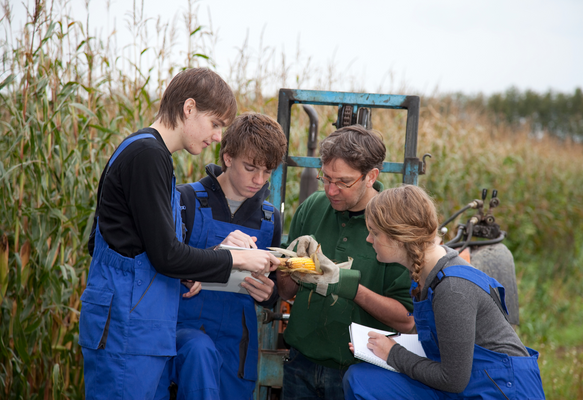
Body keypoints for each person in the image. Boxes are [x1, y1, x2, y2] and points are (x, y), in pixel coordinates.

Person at [78, 68, 279, 400]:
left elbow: (112, 243)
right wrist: (237, 257)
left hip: (141, 328)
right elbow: (166, 255)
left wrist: (186, 272)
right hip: (128, 330)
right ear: (189, 108)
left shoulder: (150, 154)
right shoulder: (148, 156)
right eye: (215, 124)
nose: (217, 137)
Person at [343, 185, 546, 399]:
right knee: (361, 380)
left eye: (375, 232)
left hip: (499, 387)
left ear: (400, 237)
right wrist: (381, 347)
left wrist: (393, 353)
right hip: (470, 380)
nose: (369, 239)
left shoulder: (453, 289)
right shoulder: (425, 271)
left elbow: (453, 380)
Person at [277, 125, 415, 400]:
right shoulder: (311, 208)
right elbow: (285, 292)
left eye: (343, 182)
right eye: (325, 178)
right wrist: (290, 265)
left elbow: (407, 321)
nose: (330, 190)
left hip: (360, 374)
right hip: (301, 363)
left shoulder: (396, 227)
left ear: (371, 176)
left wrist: (348, 287)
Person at [169, 112, 288, 399]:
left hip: (237, 347)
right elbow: (163, 264)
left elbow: (272, 289)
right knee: (198, 353)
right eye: (250, 168)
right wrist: (210, 259)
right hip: (184, 336)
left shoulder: (270, 219)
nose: (259, 180)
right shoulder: (185, 201)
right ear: (228, 157)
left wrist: (269, 294)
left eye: (268, 171)